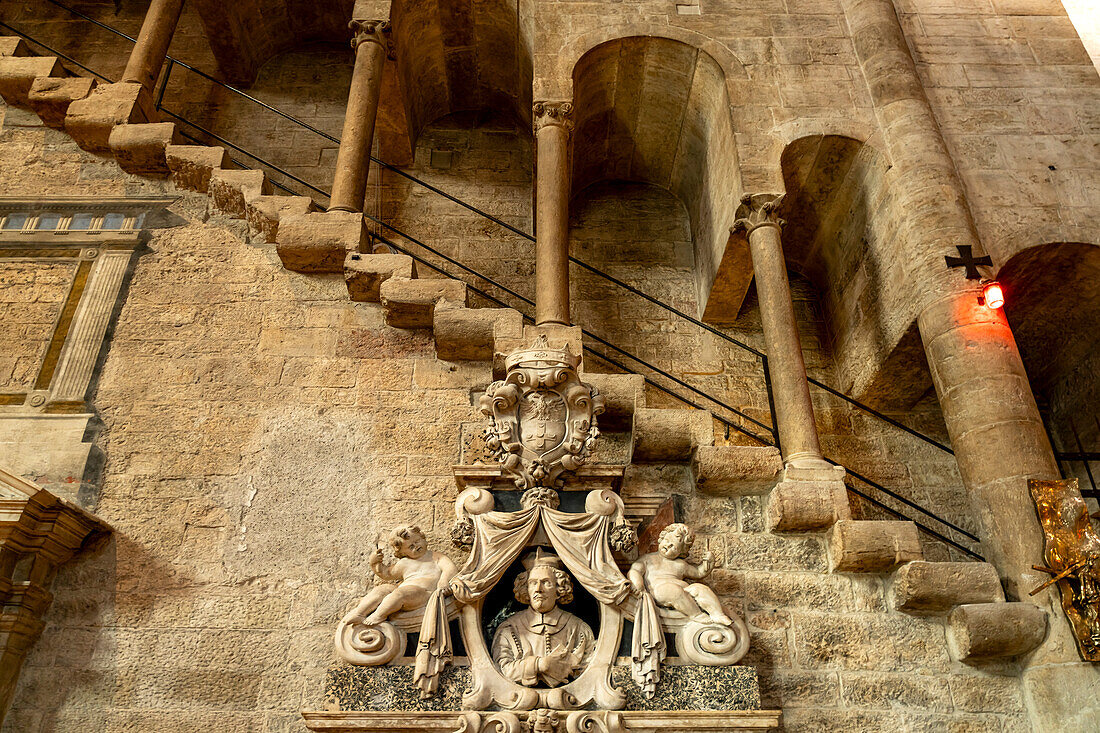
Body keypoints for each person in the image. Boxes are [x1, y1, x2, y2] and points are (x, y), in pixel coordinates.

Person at [491, 550, 595, 687]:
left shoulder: (579, 629)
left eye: (546, 582)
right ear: (525, 589)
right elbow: (502, 668)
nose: (538, 589)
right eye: (533, 583)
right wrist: (539, 665)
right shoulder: (509, 629)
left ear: (559, 589)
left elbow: (586, 669)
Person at [342, 525, 458, 626]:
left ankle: (379, 615)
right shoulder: (404, 563)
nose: (416, 546)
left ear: (423, 538)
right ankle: (360, 613)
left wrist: (443, 582)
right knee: (383, 589)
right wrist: (375, 563)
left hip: (424, 593)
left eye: (417, 541)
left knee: (400, 593)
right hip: (405, 591)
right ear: (402, 552)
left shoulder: (436, 557)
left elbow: (450, 568)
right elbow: (386, 573)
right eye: (410, 547)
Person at [629, 523, 732, 626]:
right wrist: (638, 584)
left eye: (674, 547)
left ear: (681, 552)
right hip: (659, 591)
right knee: (674, 591)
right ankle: (696, 615)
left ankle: (718, 614)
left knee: (701, 589)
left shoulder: (680, 564)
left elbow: (699, 572)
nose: (668, 546)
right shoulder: (648, 559)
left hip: (684, 591)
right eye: (667, 541)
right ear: (661, 538)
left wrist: (708, 563)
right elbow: (635, 570)